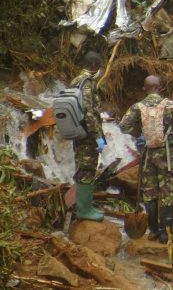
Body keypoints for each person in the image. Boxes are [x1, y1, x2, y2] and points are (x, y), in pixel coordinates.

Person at [120, 76, 173, 243]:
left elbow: (123, 126)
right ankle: (167, 233)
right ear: (160, 87)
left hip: (148, 154)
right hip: (167, 154)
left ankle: (153, 231)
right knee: (167, 192)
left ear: (144, 88)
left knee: (149, 191)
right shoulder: (169, 105)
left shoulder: (138, 107)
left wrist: (140, 134)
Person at [71, 51, 106, 222]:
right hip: (86, 135)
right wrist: (97, 135)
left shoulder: (76, 80)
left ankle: (85, 206)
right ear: (93, 65)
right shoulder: (87, 83)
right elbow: (89, 113)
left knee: (83, 167)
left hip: (78, 131)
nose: (100, 69)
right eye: (99, 66)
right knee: (87, 168)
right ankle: (84, 210)